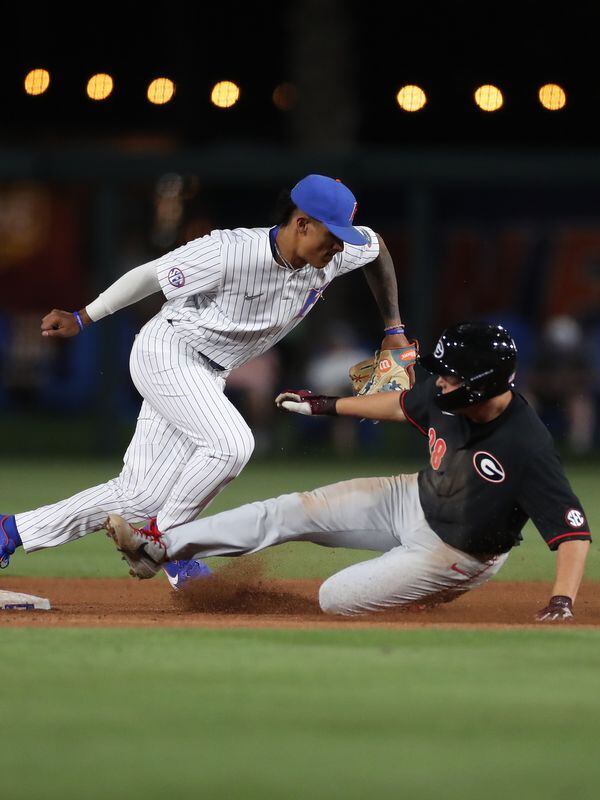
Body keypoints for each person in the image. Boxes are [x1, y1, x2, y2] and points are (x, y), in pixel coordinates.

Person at [0, 174, 416, 590]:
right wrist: (82, 316)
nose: (340, 246)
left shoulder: (335, 254)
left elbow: (375, 246)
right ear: (302, 223)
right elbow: (150, 275)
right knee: (232, 444)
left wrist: (393, 328)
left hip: (209, 371)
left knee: (137, 497)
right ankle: (166, 546)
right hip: (168, 351)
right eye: (332, 234)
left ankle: (11, 531)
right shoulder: (229, 251)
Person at [102, 322, 591, 622]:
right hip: (414, 499)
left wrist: (562, 601)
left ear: (483, 384)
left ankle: (416, 596)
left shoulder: (525, 445)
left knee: (334, 599)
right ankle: (158, 549)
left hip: (457, 553)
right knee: (290, 510)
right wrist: (328, 405)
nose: (440, 380)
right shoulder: (447, 396)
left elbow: (573, 533)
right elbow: (400, 404)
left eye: (452, 375)